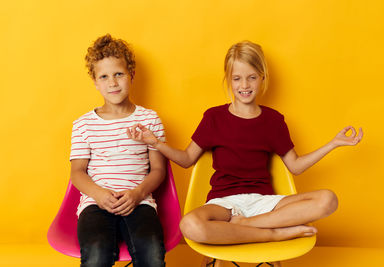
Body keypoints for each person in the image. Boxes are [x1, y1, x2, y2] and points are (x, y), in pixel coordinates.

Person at [128, 41, 363, 264]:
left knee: (328, 200)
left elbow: (296, 165)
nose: (244, 85)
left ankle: (249, 225)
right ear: (228, 80)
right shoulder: (214, 117)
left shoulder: (274, 120)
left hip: (265, 202)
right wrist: (155, 142)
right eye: (237, 78)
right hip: (224, 204)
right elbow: (187, 159)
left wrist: (333, 143)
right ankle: (273, 234)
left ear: (262, 78)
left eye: (251, 78)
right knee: (190, 225)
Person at [70, 34, 166, 267]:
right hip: (96, 204)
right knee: (96, 253)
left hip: (139, 202)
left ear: (131, 75)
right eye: (104, 76)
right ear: (95, 82)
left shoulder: (149, 119)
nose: (112, 82)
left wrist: (138, 193)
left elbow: (159, 169)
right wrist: (100, 195)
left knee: (152, 251)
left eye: (119, 74)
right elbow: (78, 172)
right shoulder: (83, 124)